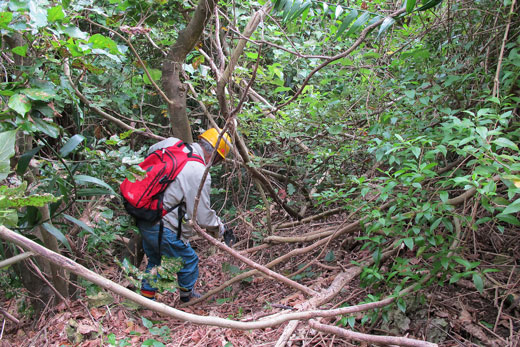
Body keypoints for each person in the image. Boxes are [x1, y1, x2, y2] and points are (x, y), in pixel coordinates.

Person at [138, 128, 233, 303]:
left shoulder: (171, 144)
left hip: (144, 216)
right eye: (219, 160)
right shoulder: (198, 171)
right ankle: (187, 297)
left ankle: (145, 300)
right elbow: (202, 217)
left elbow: (149, 156)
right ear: (215, 155)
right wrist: (220, 229)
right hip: (162, 225)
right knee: (188, 260)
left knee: (155, 260)